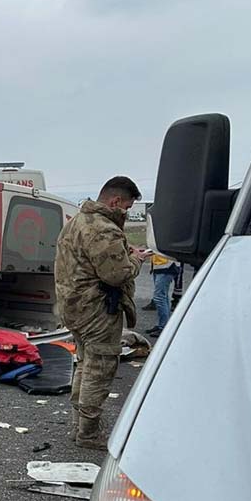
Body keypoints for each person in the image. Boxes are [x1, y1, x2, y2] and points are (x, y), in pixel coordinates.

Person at [55, 176, 146, 449]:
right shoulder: (104, 230)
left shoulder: (78, 222)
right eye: (127, 208)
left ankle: (78, 426)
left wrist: (122, 251)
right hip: (97, 311)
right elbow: (117, 275)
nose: (127, 213)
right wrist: (135, 259)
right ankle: (89, 433)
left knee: (84, 365)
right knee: (100, 369)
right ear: (115, 201)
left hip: (74, 308)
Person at [147, 248, 178, 336]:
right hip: (160, 265)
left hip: (167, 265)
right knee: (163, 297)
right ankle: (164, 324)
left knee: (159, 297)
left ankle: (163, 327)